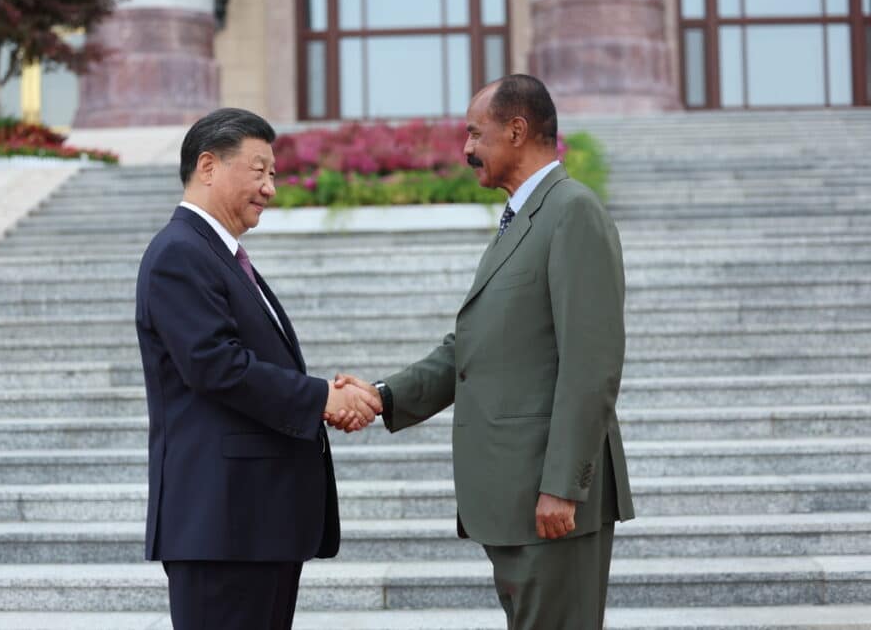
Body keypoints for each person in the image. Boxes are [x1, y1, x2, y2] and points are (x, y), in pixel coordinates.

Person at [336, 74, 635, 630]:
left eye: (476, 134)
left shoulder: (572, 212)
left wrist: (563, 487)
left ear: (517, 131)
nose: (467, 149)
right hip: (515, 498)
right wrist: (381, 396)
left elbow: (591, 365)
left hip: (550, 502)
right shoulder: (522, 219)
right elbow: (472, 351)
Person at [135, 107, 381, 630]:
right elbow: (215, 365)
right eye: (259, 170)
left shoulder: (219, 254)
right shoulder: (179, 252)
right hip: (221, 524)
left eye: (274, 173)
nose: (270, 188)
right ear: (208, 166)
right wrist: (321, 399)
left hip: (253, 523)